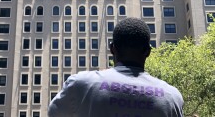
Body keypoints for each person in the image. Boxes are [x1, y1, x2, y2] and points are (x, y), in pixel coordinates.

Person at [48, 18, 184, 117]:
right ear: (148, 51)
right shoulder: (172, 97)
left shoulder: (81, 84)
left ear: (112, 48)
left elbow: (54, 113)